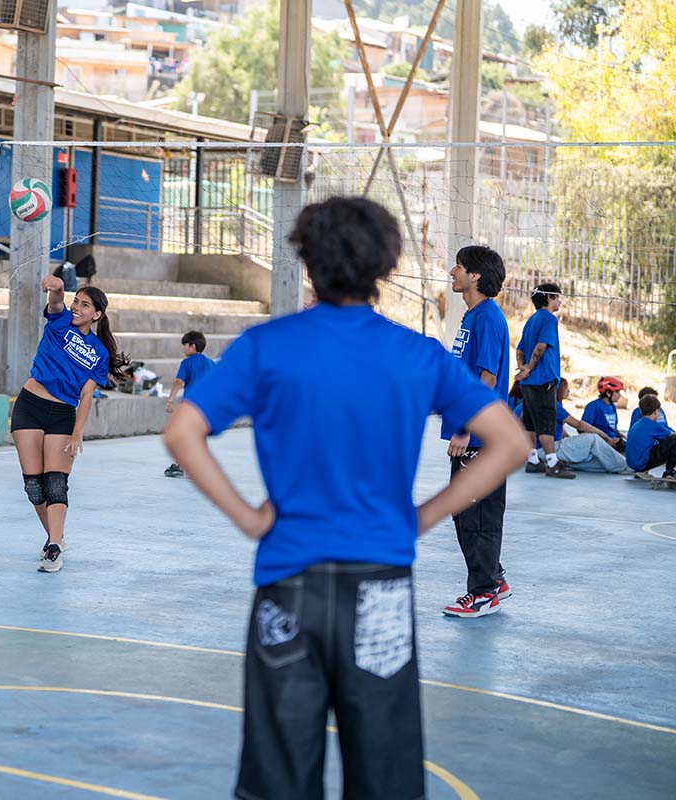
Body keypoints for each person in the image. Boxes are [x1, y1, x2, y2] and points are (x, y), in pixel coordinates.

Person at [163, 197, 527, 800]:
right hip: (380, 584)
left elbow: (182, 430)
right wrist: (426, 515)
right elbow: (510, 442)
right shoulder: (416, 354)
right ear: (384, 266)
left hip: (289, 582)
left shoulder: (267, 347)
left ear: (307, 263)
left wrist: (251, 518)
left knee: (278, 775)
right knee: (385, 775)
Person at [12, 275, 129, 573]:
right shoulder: (60, 321)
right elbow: (55, 300)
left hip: (62, 414)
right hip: (30, 404)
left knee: (55, 483)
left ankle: (52, 547)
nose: (77, 307)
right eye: (76, 300)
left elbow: (87, 396)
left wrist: (77, 433)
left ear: (97, 314)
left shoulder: (100, 353)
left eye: (84, 304)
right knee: (34, 487)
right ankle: (57, 537)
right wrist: (58, 286)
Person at [441, 245, 514, 618]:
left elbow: (488, 378)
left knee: (477, 517)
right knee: (466, 512)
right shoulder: (473, 316)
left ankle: (484, 592)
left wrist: (467, 429)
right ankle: (494, 577)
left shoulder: (487, 318)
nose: (452, 271)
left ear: (475, 276)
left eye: (460, 266)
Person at [515, 282, 574, 478]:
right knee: (547, 420)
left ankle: (532, 460)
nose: (559, 301)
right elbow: (540, 347)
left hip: (529, 382)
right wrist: (530, 368)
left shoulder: (531, 320)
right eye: (557, 297)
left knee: (531, 421)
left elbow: (520, 349)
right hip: (543, 379)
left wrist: (523, 367)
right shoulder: (549, 319)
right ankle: (552, 463)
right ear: (548, 297)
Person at [164, 330, 214, 478]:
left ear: (192, 346)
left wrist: (170, 400)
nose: (183, 348)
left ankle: (178, 465)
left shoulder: (186, 363)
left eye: (185, 345)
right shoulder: (211, 363)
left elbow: (179, 381)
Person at [550, 379, 629, 473]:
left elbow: (560, 429)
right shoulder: (555, 406)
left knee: (601, 464)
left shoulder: (612, 407)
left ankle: (568, 463)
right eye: (566, 388)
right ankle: (626, 467)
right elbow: (579, 425)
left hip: (559, 445)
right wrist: (603, 436)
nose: (569, 391)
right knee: (593, 439)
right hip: (554, 447)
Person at [625, 393, 676, 476]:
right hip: (642, 463)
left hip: (632, 463)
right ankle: (670, 472)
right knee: (674, 440)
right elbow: (671, 435)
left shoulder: (638, 423)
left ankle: (643, 471)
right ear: (656, 412)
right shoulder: (653, 425)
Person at [581, 376, 625, 450]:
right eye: (617, 392)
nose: (619, 395)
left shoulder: (612, 406)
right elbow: (582, 429)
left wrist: (621, 435)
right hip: (601, 444)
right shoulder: (594, 406)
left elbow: (612, 428)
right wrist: (604, 438)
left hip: (614, 441)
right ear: (608, 393)